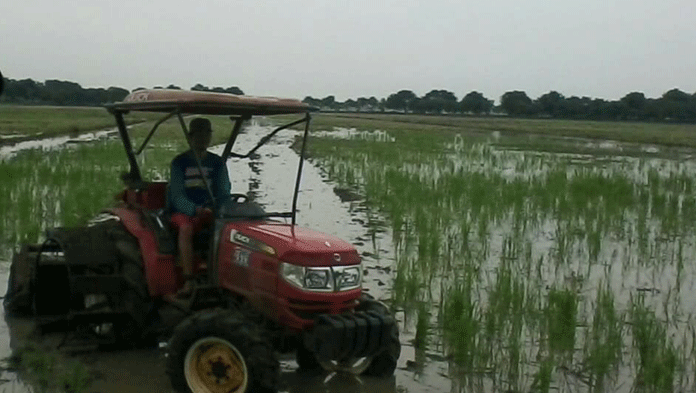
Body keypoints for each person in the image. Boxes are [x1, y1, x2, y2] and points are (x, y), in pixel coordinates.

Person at [170, 117, 231, 297]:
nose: (204, 138)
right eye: (199, 134)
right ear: (191, 137)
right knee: (187, 229)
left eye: (207, 133)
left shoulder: (217, 163)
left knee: (231, 231)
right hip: (184, 212)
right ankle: (189, 280)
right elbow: (176, 196)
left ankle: (223, 276)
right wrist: (195, 210)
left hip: (211, 210)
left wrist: (217, 208)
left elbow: (224, 190)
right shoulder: (180, 163)